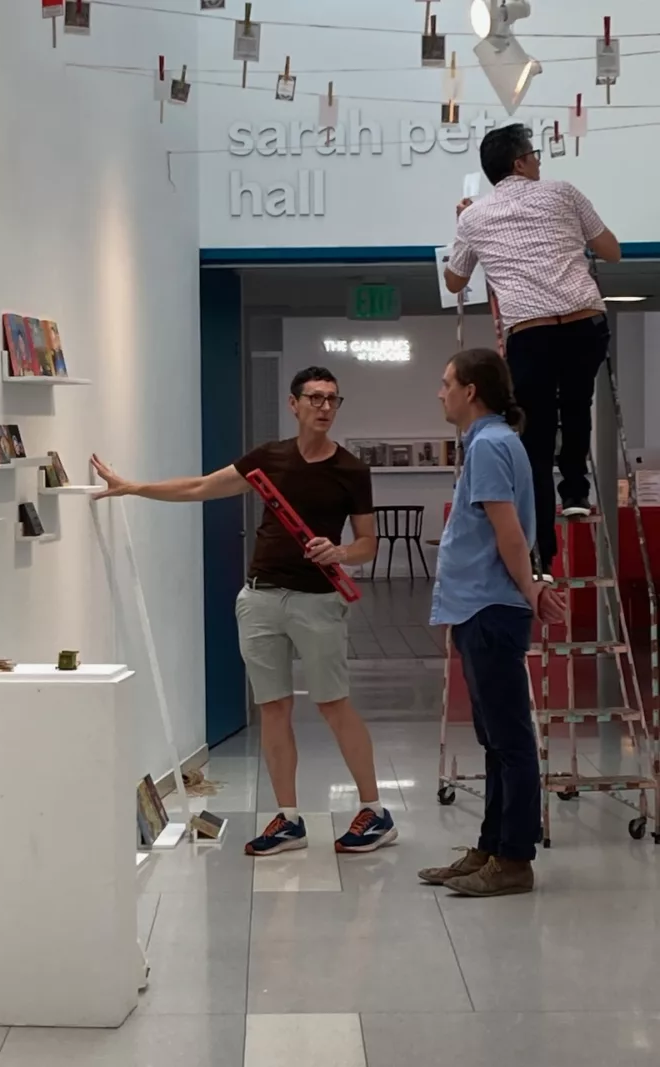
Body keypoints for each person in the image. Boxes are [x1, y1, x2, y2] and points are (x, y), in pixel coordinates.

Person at [90, 366, 398, 857]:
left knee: (333, 704)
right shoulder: (268, 459)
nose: (323, 407)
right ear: (293, 404)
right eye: (314, 398)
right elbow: (201, 488)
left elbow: (367, 544)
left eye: (332, 400)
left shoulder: (351, 470)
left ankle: (376, 811)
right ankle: (288, 819)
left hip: (319, 601)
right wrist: (133, 488)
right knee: (273, 708)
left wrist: (339, 553)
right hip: (259, 599)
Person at [444, 123, 621, 578]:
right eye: (535, 154)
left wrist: (462, 222)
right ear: (520, 162)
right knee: (577, 404)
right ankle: (577, 495)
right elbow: (611, 251)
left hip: (531, 330)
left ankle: (543, 554)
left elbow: (455, 280)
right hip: (585, 319)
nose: (540, 162)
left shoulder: (474, 216)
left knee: (535, 439)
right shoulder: (563, 192)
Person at [420, 349, 565, 897]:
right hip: (477, 606)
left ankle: (514, 858)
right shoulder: (488, 443)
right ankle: (490, 846)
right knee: (494, 739)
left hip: (491, 607)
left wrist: (529, 590)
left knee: (510, 740)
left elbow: (509, 533)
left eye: (445, 382)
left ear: (471, 390)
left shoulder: (491, 444)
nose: (440, 392)